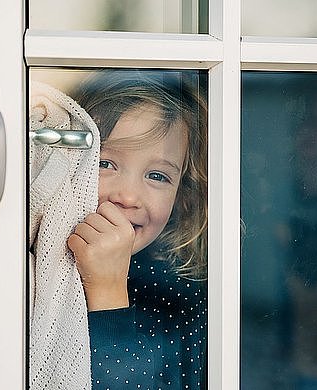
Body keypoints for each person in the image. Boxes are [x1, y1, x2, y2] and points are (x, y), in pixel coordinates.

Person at [67, 70, 208, 389]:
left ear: (182, 197)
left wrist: (105, 288)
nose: (128, 197)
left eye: (157, 176)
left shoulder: (175, 301)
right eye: (105, 164)